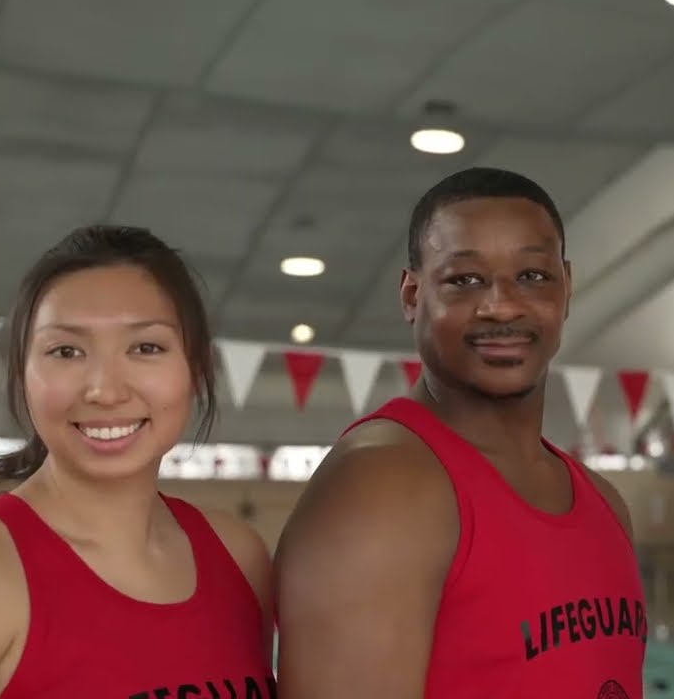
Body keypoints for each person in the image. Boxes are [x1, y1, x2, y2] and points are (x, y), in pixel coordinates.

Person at [0, 226, 276, 699]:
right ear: (23, 376)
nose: (106, 390)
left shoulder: (240, 557)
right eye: (65, 351)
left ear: (195, 370)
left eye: (146, 347)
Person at [274, 167, 646, 698]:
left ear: (567, 288)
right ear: (411, 295)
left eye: (533, 276)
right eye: (464, 280)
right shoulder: (382, 491)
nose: (502, 305)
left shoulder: (605, 504)